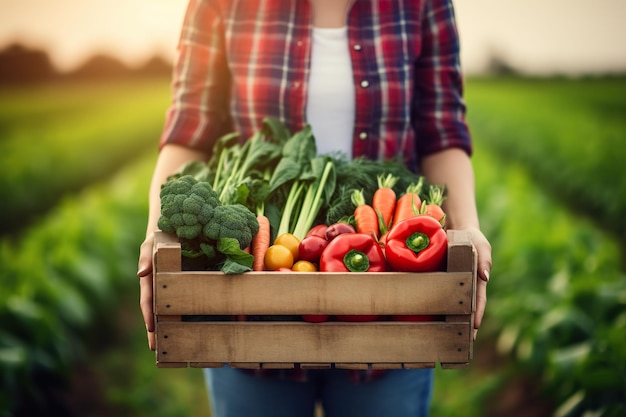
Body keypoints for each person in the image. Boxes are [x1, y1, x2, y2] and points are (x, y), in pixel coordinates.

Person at [137, 0, 492, 416]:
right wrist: (156, 233)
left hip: (391, 302)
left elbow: (442, 131)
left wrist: (467, 226)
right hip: (251, 309)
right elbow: (189, 130)